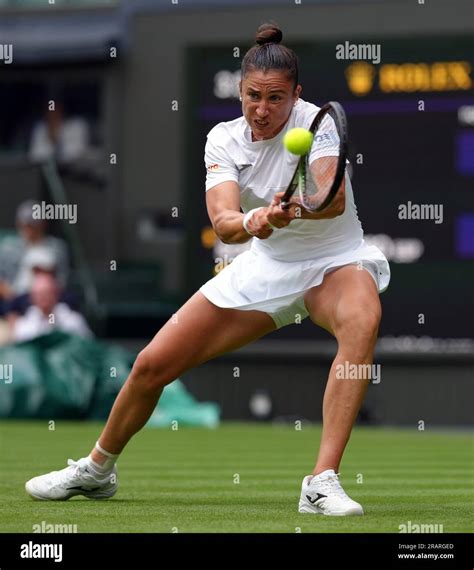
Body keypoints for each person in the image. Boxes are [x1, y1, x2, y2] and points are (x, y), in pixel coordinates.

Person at [25, 23, 390, 516]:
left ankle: (320, 483)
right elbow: (223, 221)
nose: (262, 109)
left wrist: (292, 210)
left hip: (335, 261)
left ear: (297, 96)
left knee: (363, 319)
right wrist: (258, 219)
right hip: (266, 264)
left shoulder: (318, 123)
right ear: (240, 90)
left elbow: (331, 199)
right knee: (152, 365)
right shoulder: (223, 140)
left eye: (276, 99)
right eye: (253, 96)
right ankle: (96, 470)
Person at [13, 273, 92, 343]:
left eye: (46, 292)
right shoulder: (24, 326)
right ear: (31, 297)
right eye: (39, 294)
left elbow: (88, 345)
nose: (43, 297)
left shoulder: (73, 321)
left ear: (56, 293)